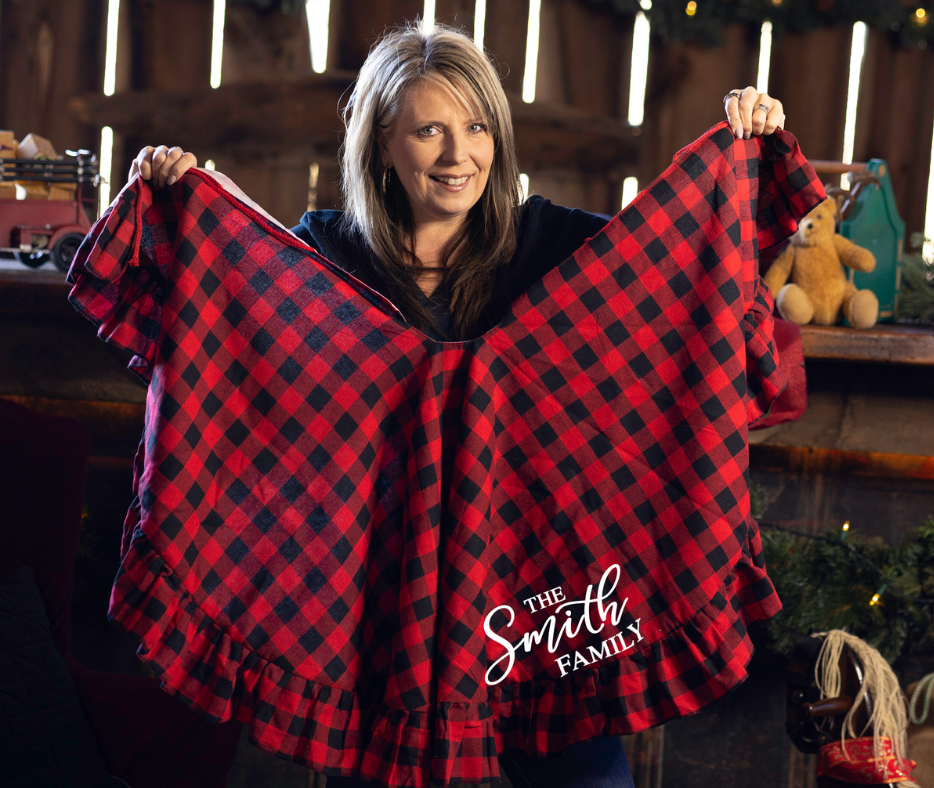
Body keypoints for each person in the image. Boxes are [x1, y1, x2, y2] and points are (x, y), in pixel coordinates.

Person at [126, 21, 787, 788]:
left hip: (537, 578)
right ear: (379, 143)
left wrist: (740, 141)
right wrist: (199, 196)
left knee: (584, 775)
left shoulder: (551, 240)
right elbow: (257, 279)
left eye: (476, 127)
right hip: (380, 587)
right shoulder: (330, 253)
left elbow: (673, 269)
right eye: (430, 130)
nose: (458, 155)